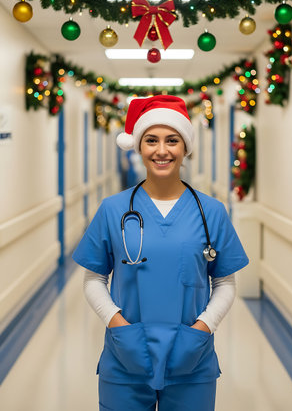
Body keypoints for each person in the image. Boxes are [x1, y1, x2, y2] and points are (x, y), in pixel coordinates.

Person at [72, 95, 249, 411]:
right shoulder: (113, 210)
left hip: (191, 358)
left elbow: (224, 283)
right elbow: (94, 278)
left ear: (186, 148)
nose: (162, 150)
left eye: (172, 140)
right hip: (125, 357)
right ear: (139, 147)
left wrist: (204, 327)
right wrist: (116, 324)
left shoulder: (212, 212)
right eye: (151, 140)